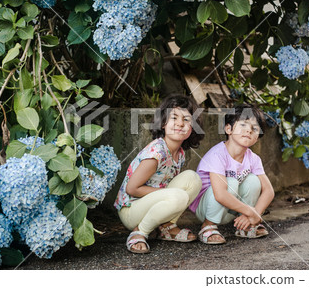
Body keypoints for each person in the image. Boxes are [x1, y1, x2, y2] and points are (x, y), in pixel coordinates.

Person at [114, 94, 204, 253]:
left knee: (193, 178)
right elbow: (132, 189)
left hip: (151, 203)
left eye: (186, 120)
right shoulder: (157, 152)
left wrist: (169, 194)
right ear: (163, 123)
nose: (179, 123)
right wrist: (168, 193)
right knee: (179, 196)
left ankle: (167, 227)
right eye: (174, 117)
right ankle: (139, 232)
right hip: (131, 209)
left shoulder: (180, 153)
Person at [189, 104, 275, 244]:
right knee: (232, 182)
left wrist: (255, 214)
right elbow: (220, 194)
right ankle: (208, 225)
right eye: (243, 125)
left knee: (253, 180)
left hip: (230, 208)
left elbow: (269, 191)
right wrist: (250, 211)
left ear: (257, 138)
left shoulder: (253, 158)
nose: (248, 130)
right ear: (228, 129)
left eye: (254, 128)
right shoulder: (217, 155)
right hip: (205, 207)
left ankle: (246, 225)